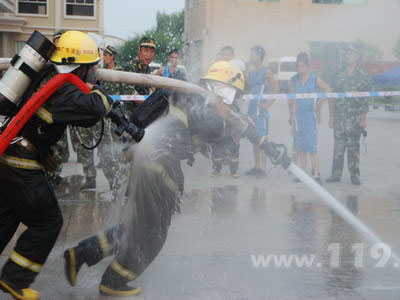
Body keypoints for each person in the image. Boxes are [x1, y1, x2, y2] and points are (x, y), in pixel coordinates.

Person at [62, 61, 247, 296]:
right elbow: (210, 132)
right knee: (154, 235)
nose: (232, 103)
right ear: (223, 90)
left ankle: (81, 254)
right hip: (160, 168)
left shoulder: (190, 97)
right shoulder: (200, 103)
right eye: (232, 96)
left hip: (152, 164)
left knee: (137, 226)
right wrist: (227, 121)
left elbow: (198, 140)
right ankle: (114, 280)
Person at [0, 31, 124, 299]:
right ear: (81, 67)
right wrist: (101, 93)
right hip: (18, 157)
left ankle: (14, 278)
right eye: (91, 69)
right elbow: (92, 108)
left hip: (9, 152)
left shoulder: (46, 74)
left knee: (7, 217)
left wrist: (43, 152)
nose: (92, 74)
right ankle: (15, 279)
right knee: (48, 220)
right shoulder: (63, 86)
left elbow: (36, 121)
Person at [326, 45, 371, 185]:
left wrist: (363, 119)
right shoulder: (337, 74)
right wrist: (331, 116)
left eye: (352, 53)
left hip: (355, 119)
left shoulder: (363, 77)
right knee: (338, 148)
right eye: (347, 53)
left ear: (357, 57)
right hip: (339, 118)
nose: (348, 56)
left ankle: (355, 176)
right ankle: (335, 174)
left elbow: (365, 100)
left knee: (353, 148)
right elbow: (331, 95)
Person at [289, 52, 331, 184]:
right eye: (298, 66)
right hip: (298, 120)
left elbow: (329, 90)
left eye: (303, 66)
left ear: (308, 66)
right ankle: (303, 174)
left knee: (312, 148)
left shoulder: (315, 79)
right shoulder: (293, 80)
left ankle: (317, 175)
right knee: (301, 149)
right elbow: (292, 102)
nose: (300, 69)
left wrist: (319, 102)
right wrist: (292, 121)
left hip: (311, 119)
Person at [245, 45, 279, 178]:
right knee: (254, 139)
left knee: (263, 140)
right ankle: (257, 166)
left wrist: (267, 104)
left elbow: (276, 90)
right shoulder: (251, 73)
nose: (250, 57)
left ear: (259, 56)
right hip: (252, 111)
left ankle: (263, 169)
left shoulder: (267, 72)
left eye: (253, 54)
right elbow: (248, 90)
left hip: (261, 113)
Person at [120, 37, 156, 118]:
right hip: (128, 113)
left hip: (140, 112)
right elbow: (129, 91)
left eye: (152, 52)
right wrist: (148, 103)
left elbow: (151, 86)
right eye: (146, 51)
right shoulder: (129, 67)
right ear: (139, 51)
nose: (149, 55)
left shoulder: (148, 69)